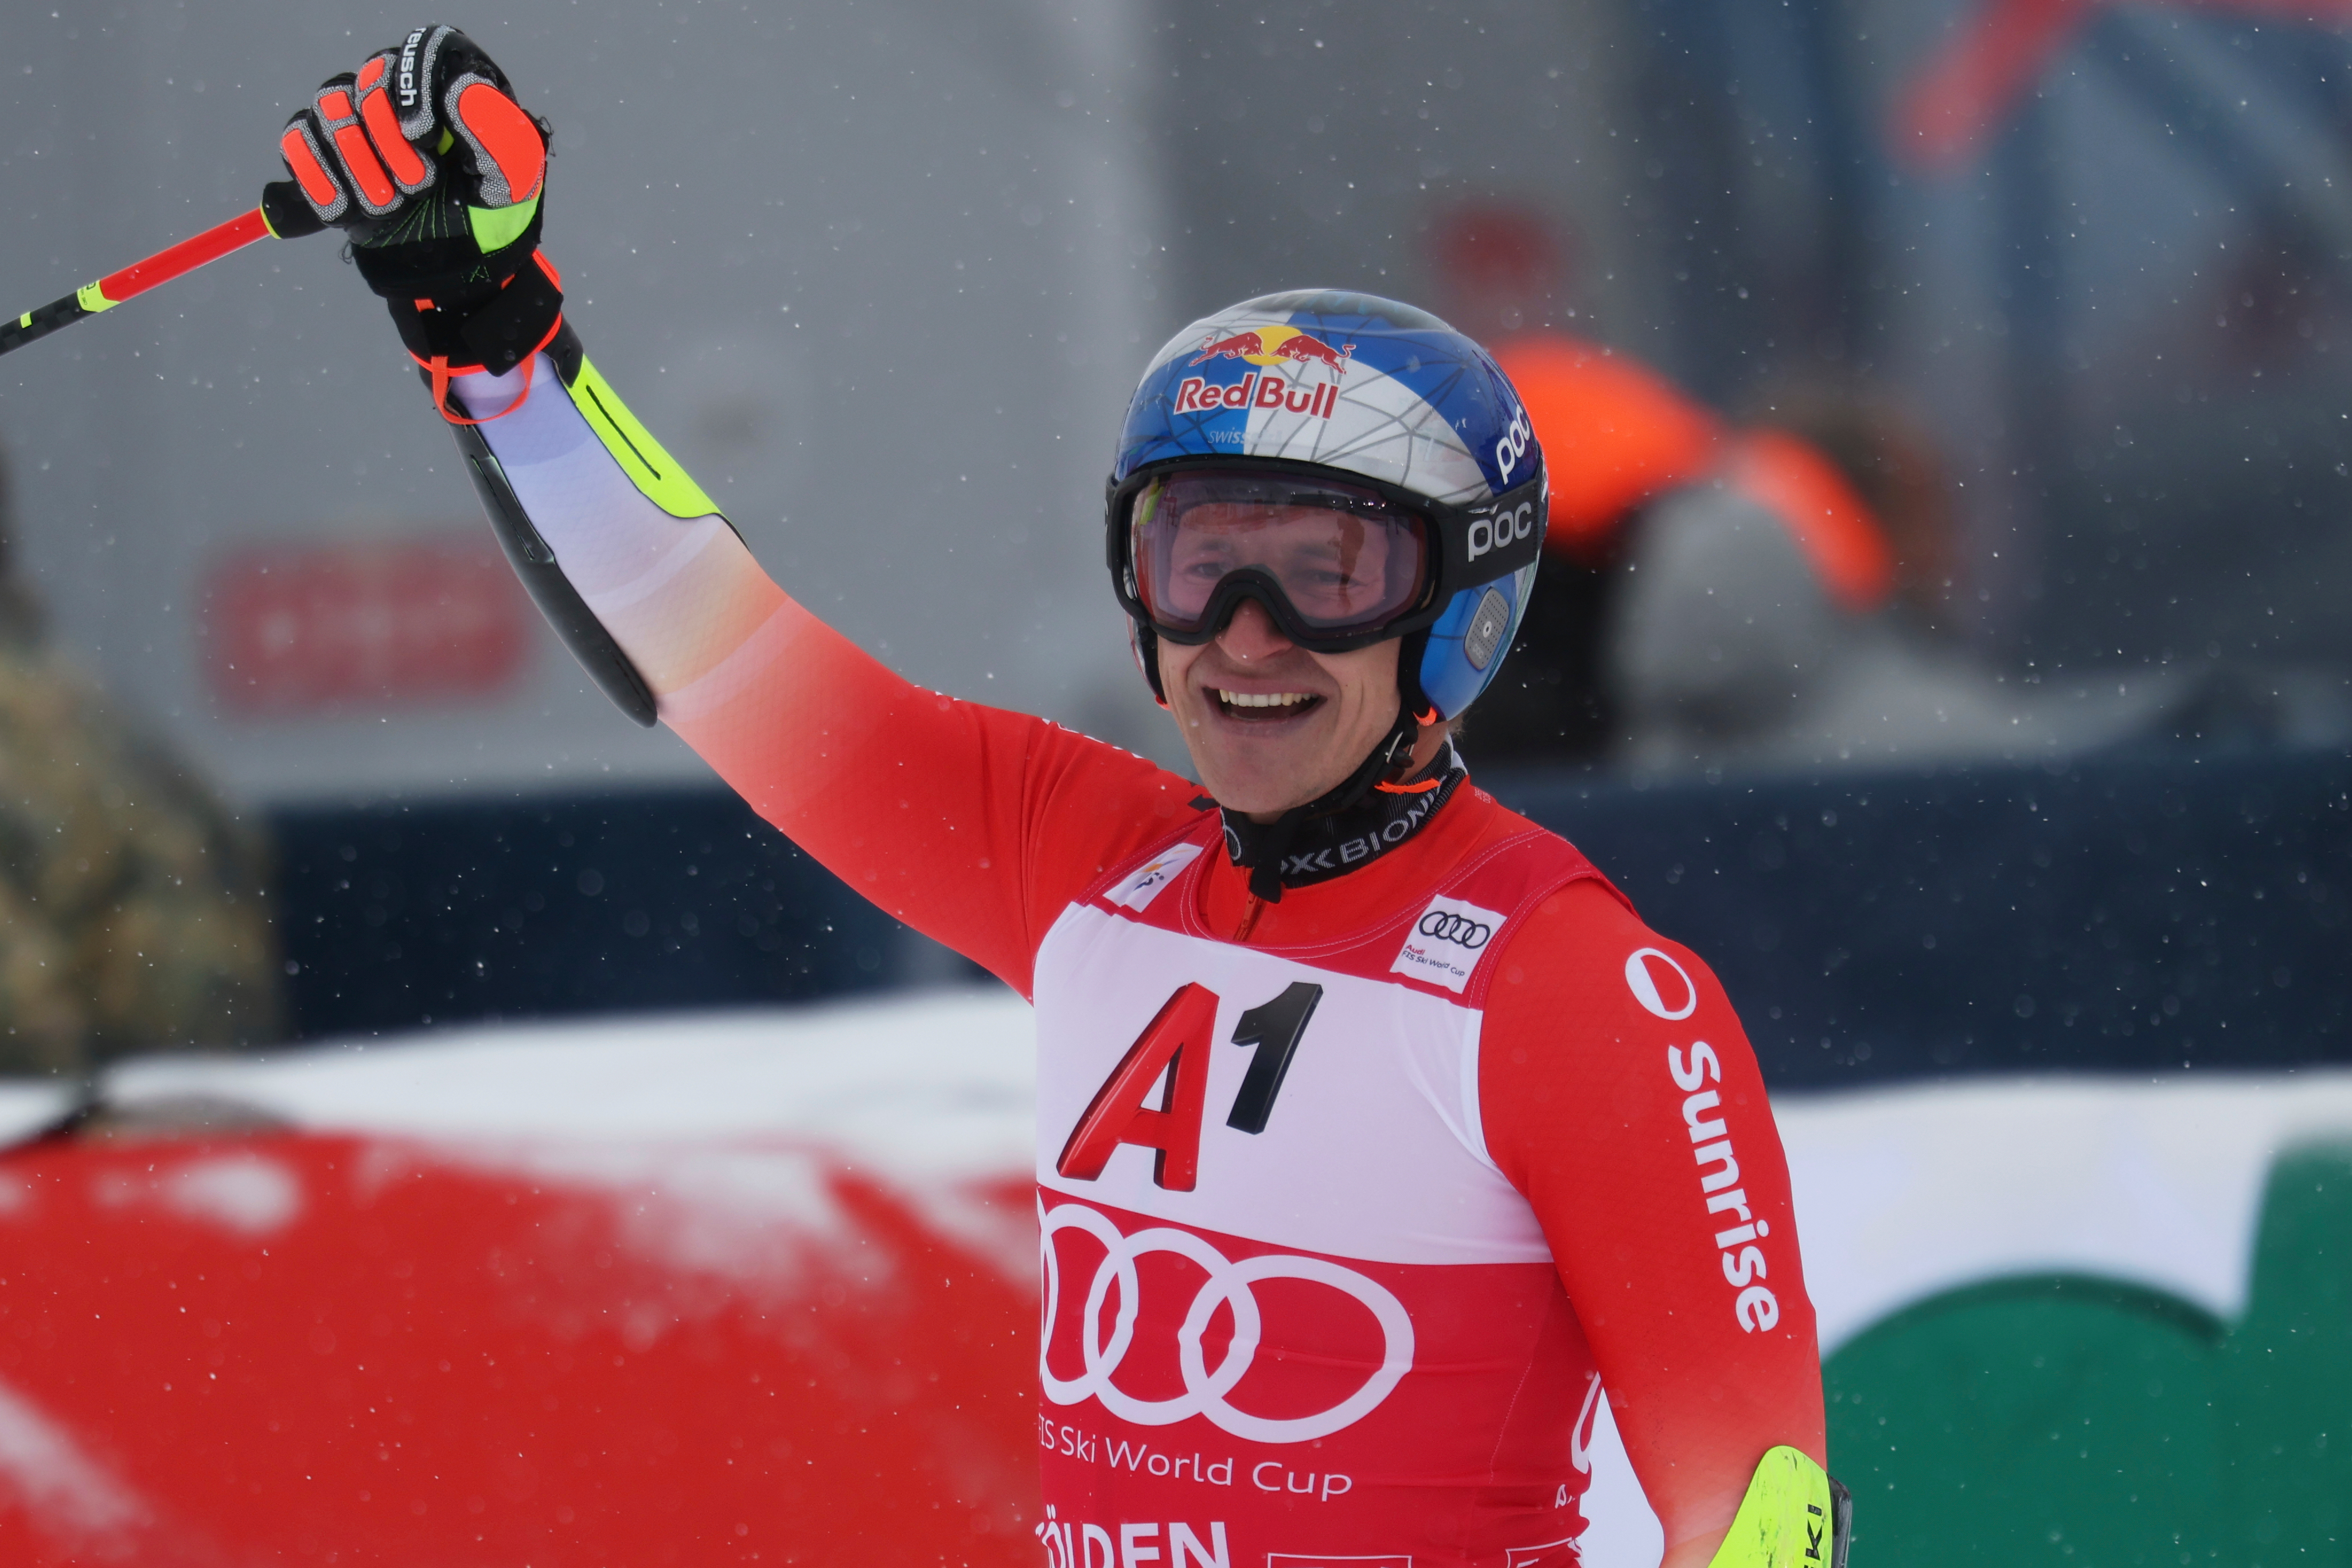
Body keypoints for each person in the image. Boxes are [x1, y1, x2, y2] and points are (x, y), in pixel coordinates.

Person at [270, 29, 1844, 1567]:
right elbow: (710, 647)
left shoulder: (1572, 989)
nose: (1244, 633)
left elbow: (1759, 1507)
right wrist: (488, 327)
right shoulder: (1085, 857)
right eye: (1197, 556)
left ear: (1464, 612)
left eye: (1324, 572)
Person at [0, 446, 282, 1076]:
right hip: (183, 1130)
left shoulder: (53, 716)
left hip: (88, 1138)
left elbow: (21, 1034)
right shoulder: (79, 709)